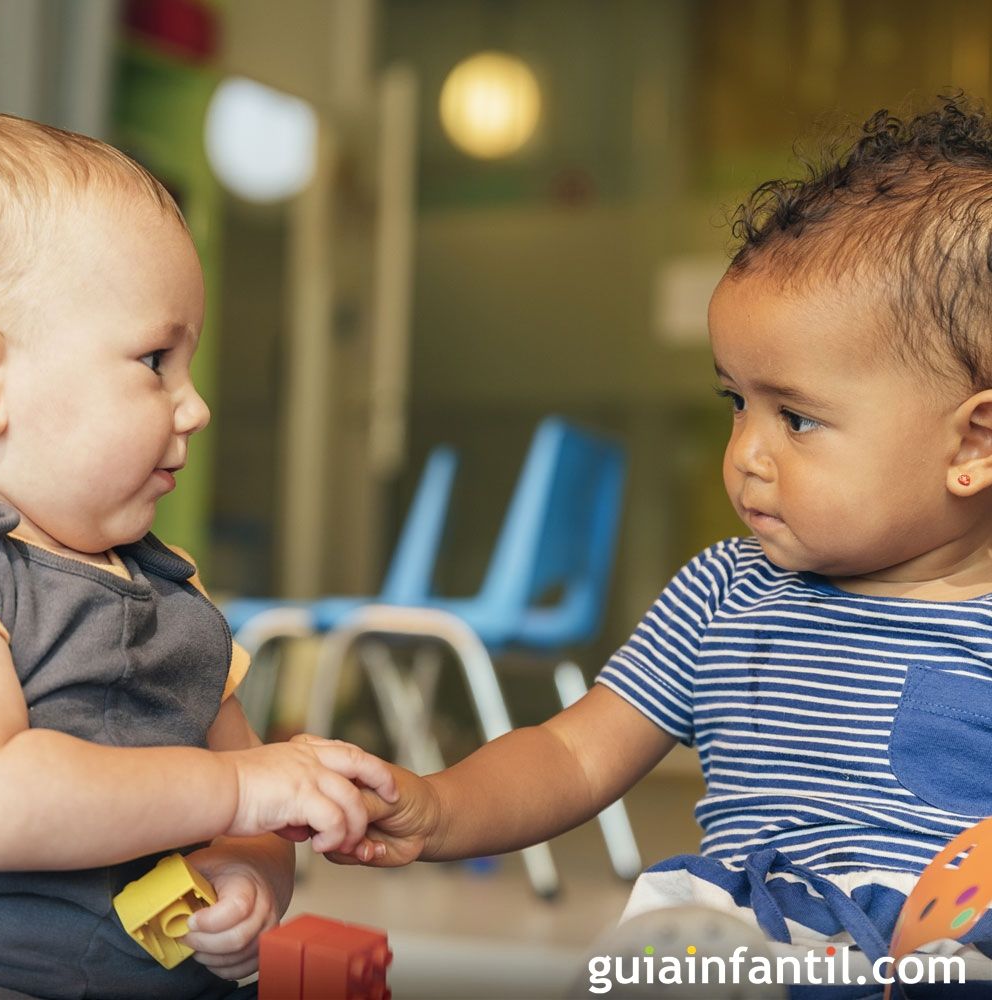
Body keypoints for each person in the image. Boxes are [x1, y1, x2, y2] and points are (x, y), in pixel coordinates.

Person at [345, 96, 992, 996]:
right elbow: (573, 756)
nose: (746, 456)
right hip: (732, 952)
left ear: (972, 446)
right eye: (737, 403)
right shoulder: (725, 595)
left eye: (796, 418)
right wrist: (440, 806)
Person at [0, 114, 397, 1000]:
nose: (196, 405)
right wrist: (238, 792)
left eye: (191, 364)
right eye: (155, 360)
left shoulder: (172, 589)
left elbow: (251, 796)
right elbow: (3, 798)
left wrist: (251, 874)